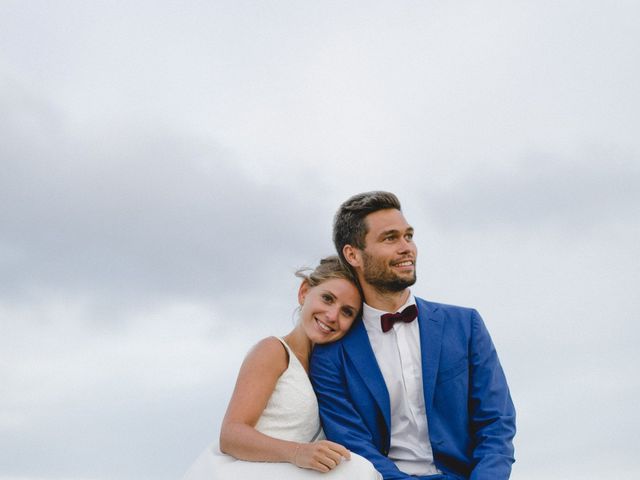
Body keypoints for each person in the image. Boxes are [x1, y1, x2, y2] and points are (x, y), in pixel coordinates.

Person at [310, 192, 516, 480]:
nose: (407, 248)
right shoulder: (331, 354)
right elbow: (354, 444)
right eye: (390, 238)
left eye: (409, 236)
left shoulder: (465, 325)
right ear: (353, 254)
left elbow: (497, 423)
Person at [181, 256, 382, 480]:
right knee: (357, 472)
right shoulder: (274, 350)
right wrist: (298, 452)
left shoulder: (329, 375)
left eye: (347, 312)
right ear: (304, 291)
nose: (332, 316)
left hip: (287, 472)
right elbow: (231, 435)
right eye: (327, 299)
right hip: (245, 470)